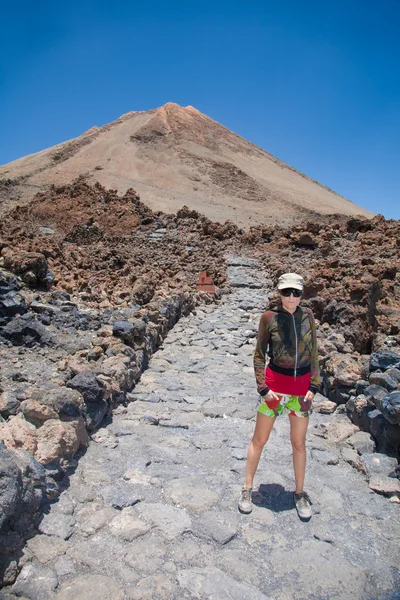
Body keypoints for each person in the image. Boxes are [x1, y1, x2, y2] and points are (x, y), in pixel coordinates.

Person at [238, 272, 320, 520]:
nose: (291, 297)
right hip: (274, 390)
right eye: (286, 292)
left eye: (296, 292)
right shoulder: (269, 317)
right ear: (279, 292)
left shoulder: (308, 316)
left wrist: (314, 387)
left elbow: (315, 351)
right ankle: (247, 488)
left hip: (301, 392)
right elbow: (259, 354)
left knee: (298, 443)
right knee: (259, 439)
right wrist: (263, 388)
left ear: (301, 294)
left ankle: (299, 492)